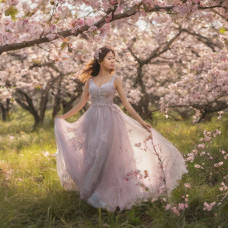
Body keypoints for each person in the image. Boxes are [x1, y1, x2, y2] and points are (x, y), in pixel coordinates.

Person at [54, 46, 188, 212]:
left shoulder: (115, 79)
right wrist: (64, 117)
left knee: (107, 154)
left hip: (111, 121)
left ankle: (108, 191)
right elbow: (81, 103)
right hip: (93, 120)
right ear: (100, 60)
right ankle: (94, 189)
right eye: (109, 58)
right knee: (93, 153)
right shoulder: (90, 80)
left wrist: (141, 121)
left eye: (114, 59)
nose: (112, 61)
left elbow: (126, 103)